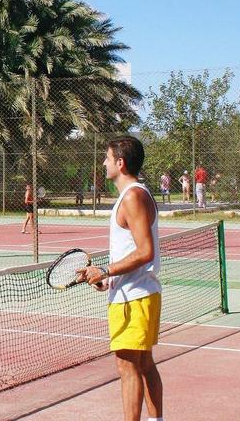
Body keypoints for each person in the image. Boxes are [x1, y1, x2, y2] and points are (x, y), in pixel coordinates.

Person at [79, 136, 163, 421]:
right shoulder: (134, 195)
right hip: (135, 293)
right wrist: (106, 280)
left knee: (128, 369)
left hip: (135, 298)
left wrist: (106, 271)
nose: (103, 162)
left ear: (120, 162)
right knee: (143, 364)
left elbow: (145, 252)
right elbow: (133, 252)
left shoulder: (133, 196)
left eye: (107, 157)